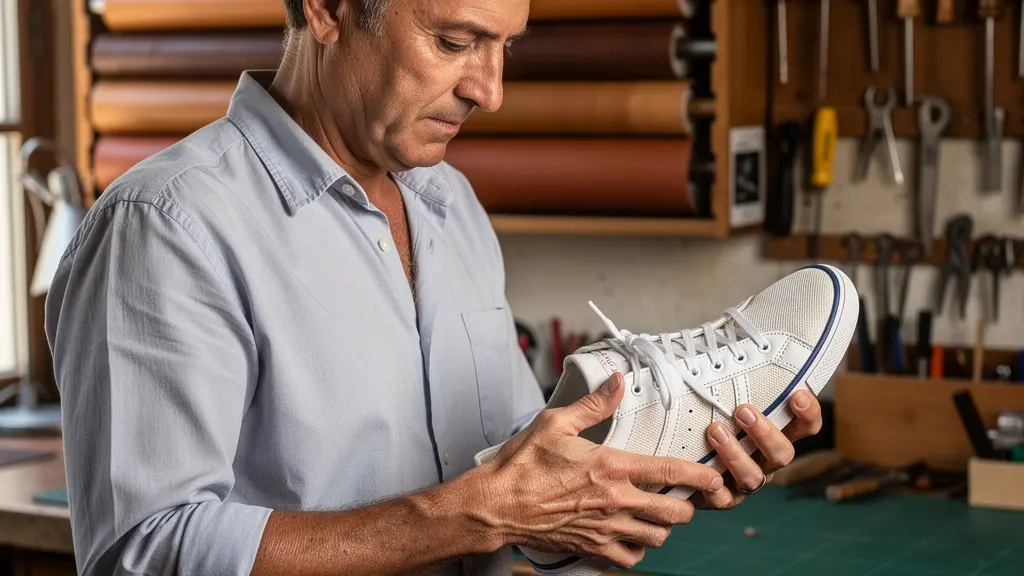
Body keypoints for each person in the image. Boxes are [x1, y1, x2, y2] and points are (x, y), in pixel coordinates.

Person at [45, 0, 824, 574]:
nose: (490, 90)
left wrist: (668, 467)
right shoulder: (168, 227)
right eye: (456, 41)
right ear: (328, 10)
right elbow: (141, 553)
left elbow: (514, 486)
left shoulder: (448, 202)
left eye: (505, 48)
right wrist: (474, 512)